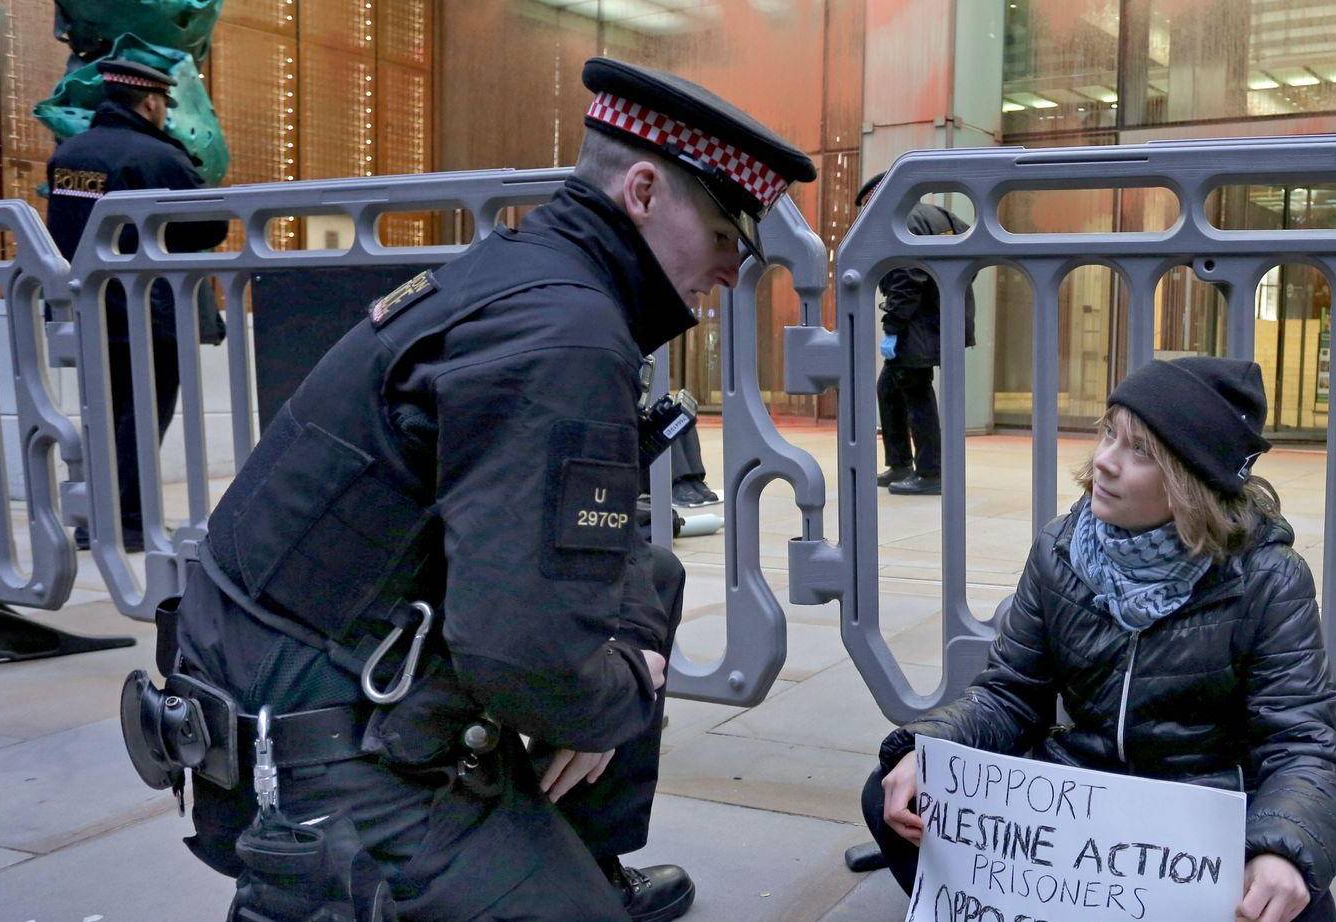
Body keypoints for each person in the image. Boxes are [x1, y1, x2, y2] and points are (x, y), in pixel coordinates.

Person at [154, 58, 814, 920]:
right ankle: (328, 887)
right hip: (314, 745)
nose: (731, 271)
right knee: (604, 681)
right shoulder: (566, 336)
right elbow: (522, 660)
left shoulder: (529, 277)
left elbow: (563, 563)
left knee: (644, 584)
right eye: (726, 235)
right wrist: (626, 689)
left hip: (301, 665)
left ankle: (571, 853)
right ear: (644, 192)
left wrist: (612, 670)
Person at [859, 357, 1336, 922]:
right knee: (894, 793)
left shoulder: (1267, 580)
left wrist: (1280, 849)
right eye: (1108, 433)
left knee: (1302, 902)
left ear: (1193, 479)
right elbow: (1009, 692)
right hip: (1076, 822)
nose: (1103, 461)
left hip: (1195, 830)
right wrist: (932, 751)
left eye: (1139, 450)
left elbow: (1304, 747)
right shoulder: (1062, 548)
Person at [44, 59, 228, 553]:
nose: (165, 112)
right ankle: (127, 522)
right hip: (149, 310)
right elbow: (210, 225)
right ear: (150, 102)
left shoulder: (71, 154)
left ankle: (94, 520)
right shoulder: (156, 156)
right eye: (164, 104)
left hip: (88, 306)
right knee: (142, 417)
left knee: (102, 415)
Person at [856, 173, 974, 496]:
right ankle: (901, 463)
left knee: (916, 391)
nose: (866, 213)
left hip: (918, 323)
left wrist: (892, 327)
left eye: (867, 204)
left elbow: (907, 277)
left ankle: (931, 472)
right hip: (943, 317)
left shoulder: (901, 220)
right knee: (891, 386)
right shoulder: (938, 215)